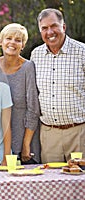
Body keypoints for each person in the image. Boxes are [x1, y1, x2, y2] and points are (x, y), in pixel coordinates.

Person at [30, 8, 85, 163]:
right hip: (49, 135)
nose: (50, 32)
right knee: (50, 183)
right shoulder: (36, 55)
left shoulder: (82, 52)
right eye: (44, 28)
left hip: (79, 133)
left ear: (64, 27)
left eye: (54, 26)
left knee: (80, 182)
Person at [0, 23, 41, 164]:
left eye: (18, 40)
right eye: (8, 38)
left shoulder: (28, 67)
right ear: (1, 42)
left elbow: (33, 109)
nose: (12, 43)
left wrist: (25, 145)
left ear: (23, 45)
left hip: (24, 139)